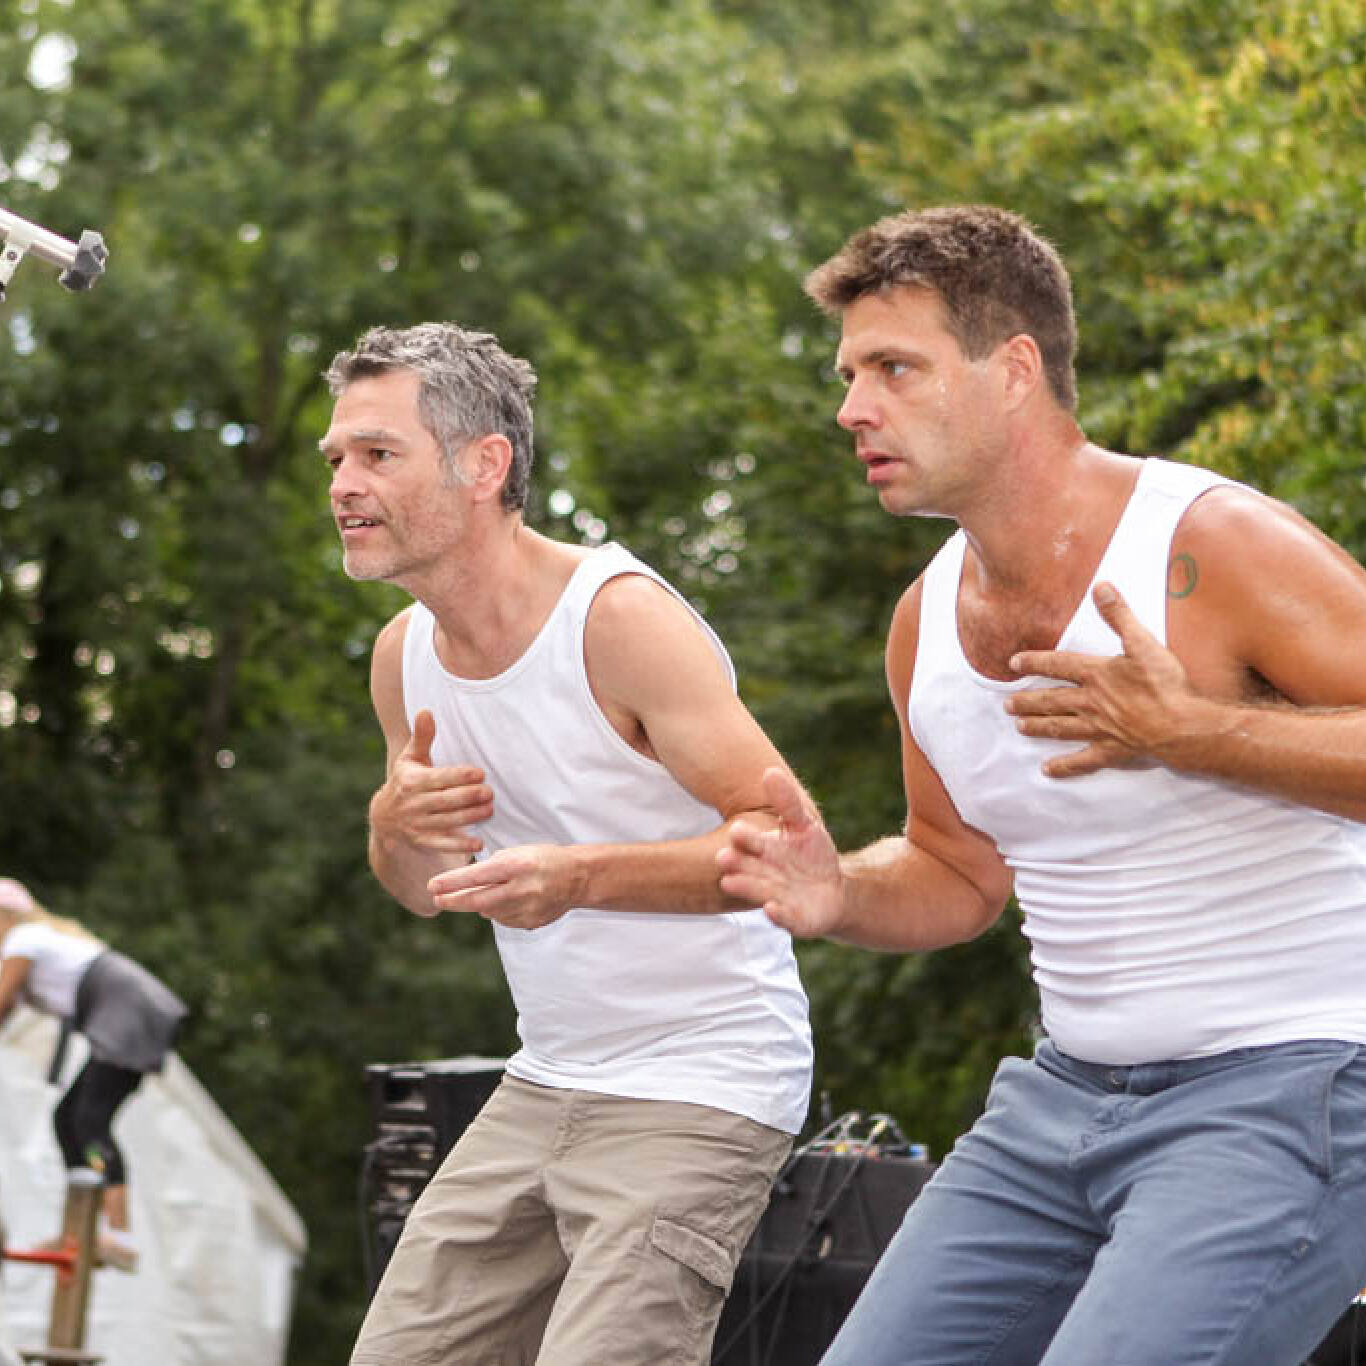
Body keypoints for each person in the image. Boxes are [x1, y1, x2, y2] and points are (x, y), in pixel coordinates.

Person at [716, 204, 1366, 1365]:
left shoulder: (1210, 543)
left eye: (893, 368)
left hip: (1295, 1084)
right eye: (848, 374)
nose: (851, 407)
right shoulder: (921, 621)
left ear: (1014, 370)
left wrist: (1195, 733)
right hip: (1058, 1102)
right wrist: (839, 891)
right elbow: (956, 871)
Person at [321, 322, 812, 1366]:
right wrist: (391, 829)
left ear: (484, 465)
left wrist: (579, 877)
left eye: (377, 453)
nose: (343, 484)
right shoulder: (402, 655)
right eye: (336, 458)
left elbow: (782, 844)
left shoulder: (617, 620)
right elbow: (421, 887)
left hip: (705, 1079)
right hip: (546, 1077)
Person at [0, 876, 187, 1272]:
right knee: (67, 1119)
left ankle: (119, 1235)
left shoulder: (24, 938)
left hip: (128, 1013)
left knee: (89, 1121)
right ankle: (82, 1226)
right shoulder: (38, 941)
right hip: (124, 1014)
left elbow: (2, 1000)